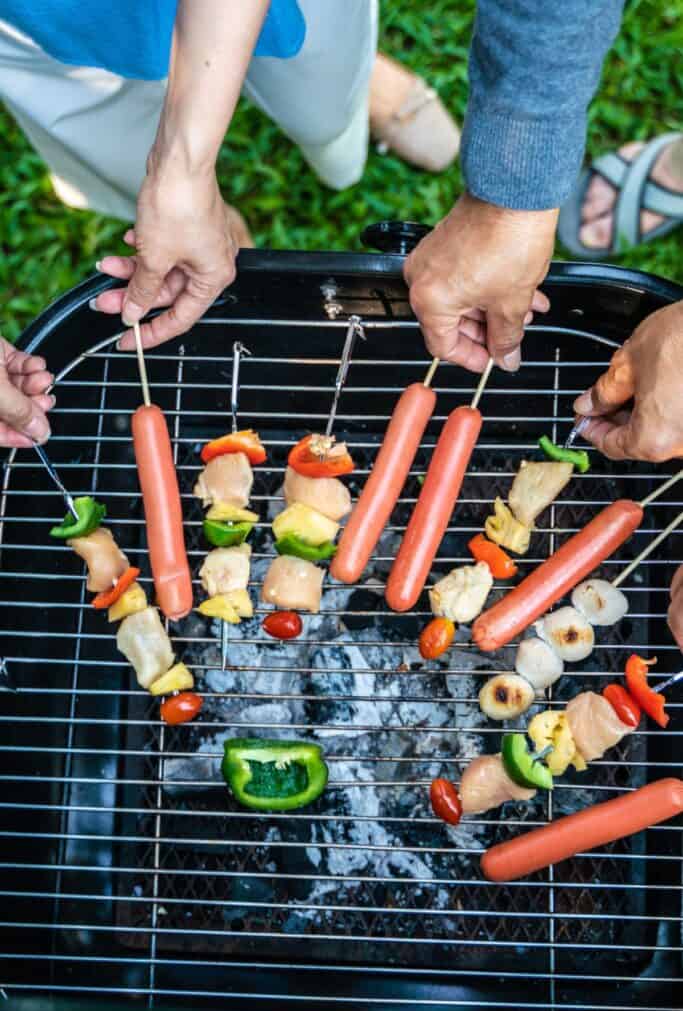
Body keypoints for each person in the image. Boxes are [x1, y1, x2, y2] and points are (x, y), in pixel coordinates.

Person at [0, 0, 681, 644]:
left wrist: (511, 199)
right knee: (109, 114)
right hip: (55, 24)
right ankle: (210, 216)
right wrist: (177, 172)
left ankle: (350, 103)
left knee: (319, 81)